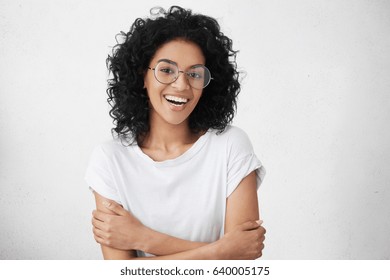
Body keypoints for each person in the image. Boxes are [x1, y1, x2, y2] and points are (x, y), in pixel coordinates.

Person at [85, 6, 266, 259]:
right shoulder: (109, 159)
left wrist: (142, 238)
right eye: (166, 70)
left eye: (194, 73)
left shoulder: (230, 145)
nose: (181, 85)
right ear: (142, 76)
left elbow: (242, 262)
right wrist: (223, 251)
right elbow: (120, 273)